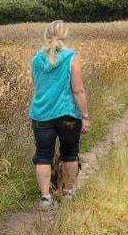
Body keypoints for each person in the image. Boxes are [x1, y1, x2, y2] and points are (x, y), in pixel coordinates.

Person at [29, 20, 89, 210]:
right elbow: (78, 90)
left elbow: (38, 86)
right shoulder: (72, 57)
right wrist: (85, 116)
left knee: (43, 156)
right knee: (70, 155)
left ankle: (46, 198)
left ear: (46, 35)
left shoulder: (36, 58)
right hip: (68, 115)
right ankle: (69, 193)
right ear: (65, 36)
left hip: (41, 114)